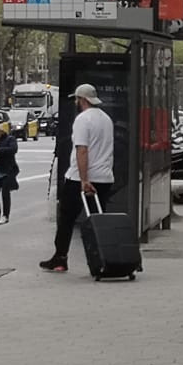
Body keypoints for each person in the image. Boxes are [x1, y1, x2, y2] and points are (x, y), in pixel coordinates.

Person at [40, 84, 115, 273]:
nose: (75, 102)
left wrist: (83, 180)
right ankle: (104, 258)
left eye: (76, 99)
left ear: (82, 100)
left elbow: (82, 150)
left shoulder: (83, 119)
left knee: (66, 218)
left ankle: (60, 258)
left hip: (80, 178)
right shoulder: (106, 119)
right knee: (98, 220)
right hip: (105, 177)